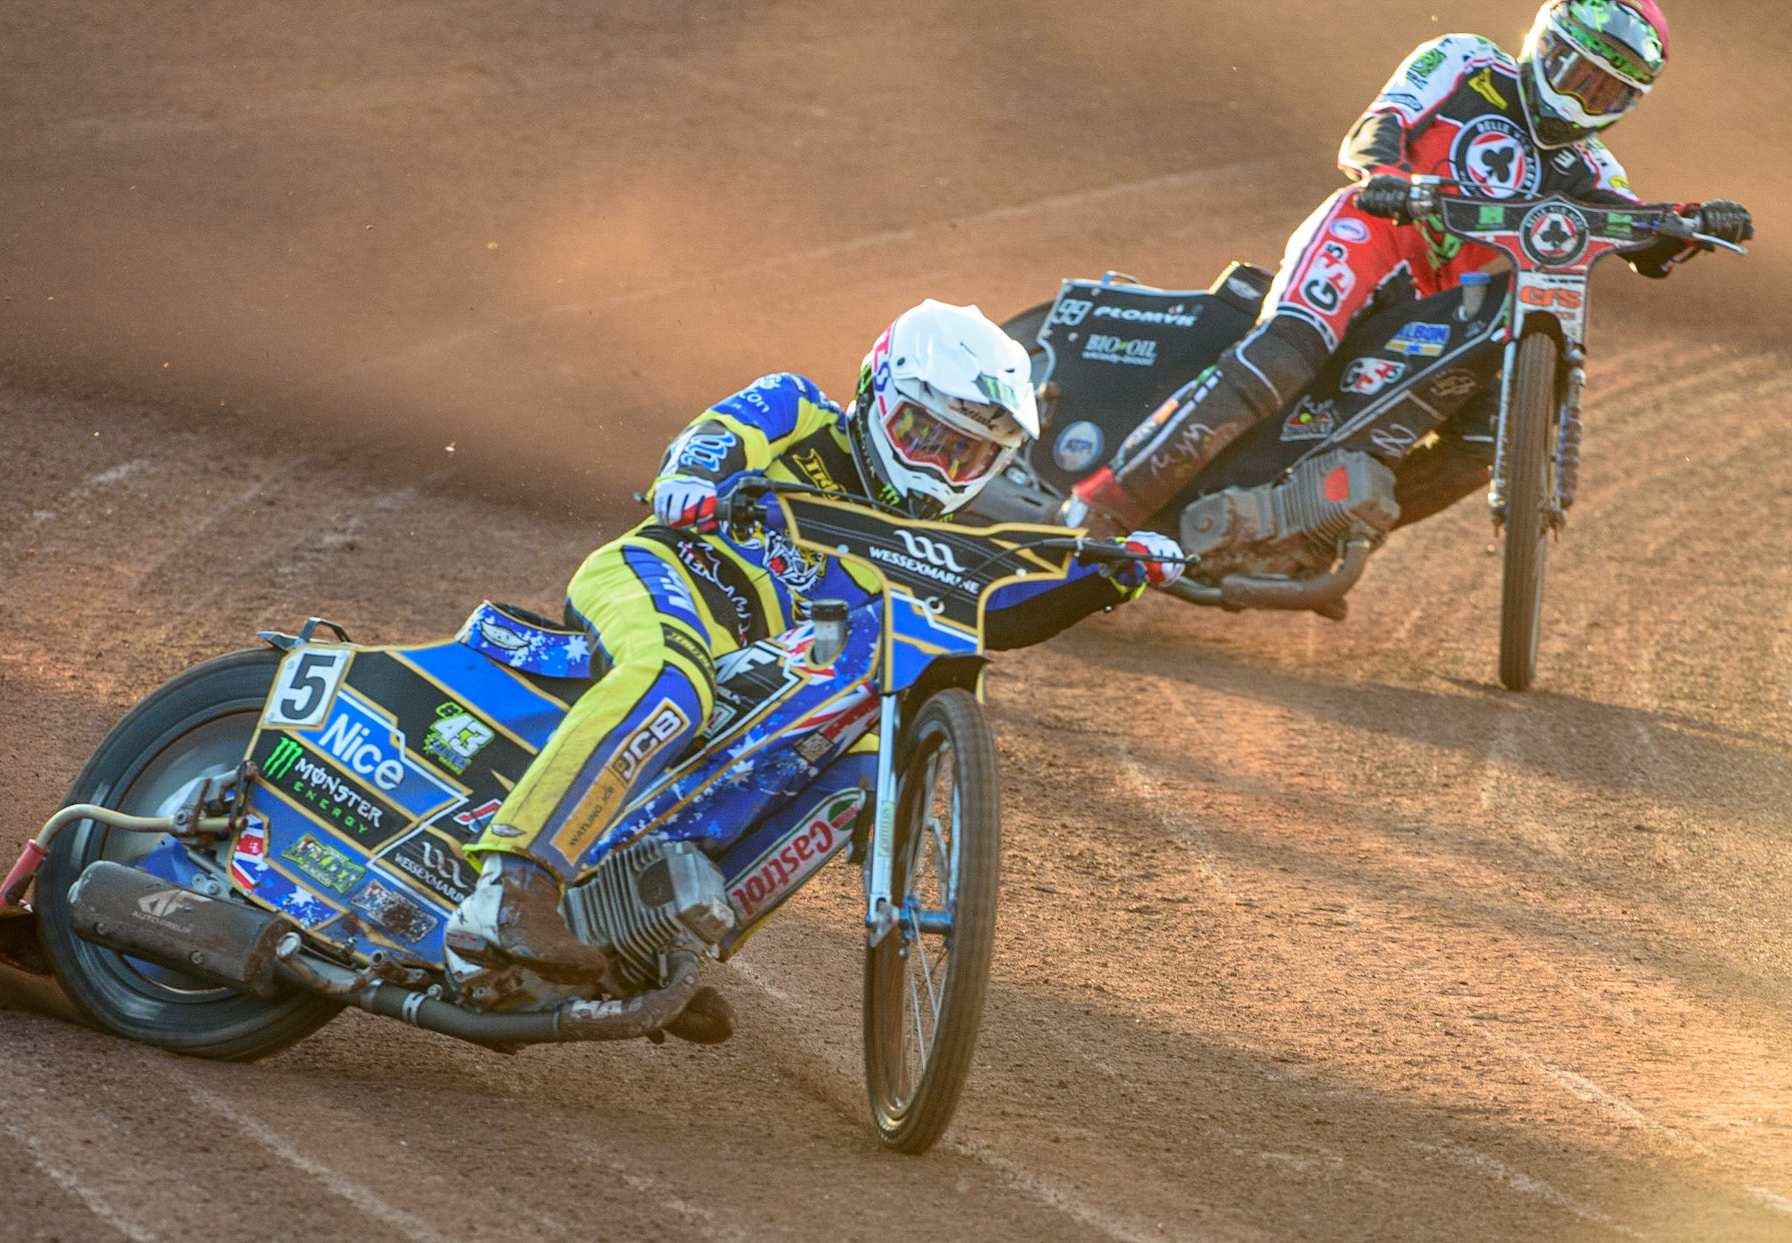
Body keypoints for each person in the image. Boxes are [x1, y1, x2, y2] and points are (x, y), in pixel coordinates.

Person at [442, 299, 1184, 999]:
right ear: (874, 391)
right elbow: (720, 433)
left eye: (964, 456)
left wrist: (1113, 573)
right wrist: (694, 477)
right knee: (672, 674)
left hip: (765, 675)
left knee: (860, 776)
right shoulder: (798, 409)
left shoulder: (944, 546)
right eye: (924, 436)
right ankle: (511, 886)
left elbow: (1007, 609)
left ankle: (647, 952)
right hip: (667, 578)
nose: (936, 466)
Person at [1063, 0, 1754, 534]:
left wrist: (1694, 224)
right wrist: (1381, 173)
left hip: (1453, 302)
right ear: (1542, 44)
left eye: (1603, 93)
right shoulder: (1463, 60)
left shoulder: (1592, 169)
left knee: (1488, 445)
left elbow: (1636, 237)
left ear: (1626, 106)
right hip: (1378, 232)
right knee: (1283, 355)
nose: (1581, 98)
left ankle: (1309, 533)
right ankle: (1101, 511)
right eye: (1575, 72)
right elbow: (1379, 125)